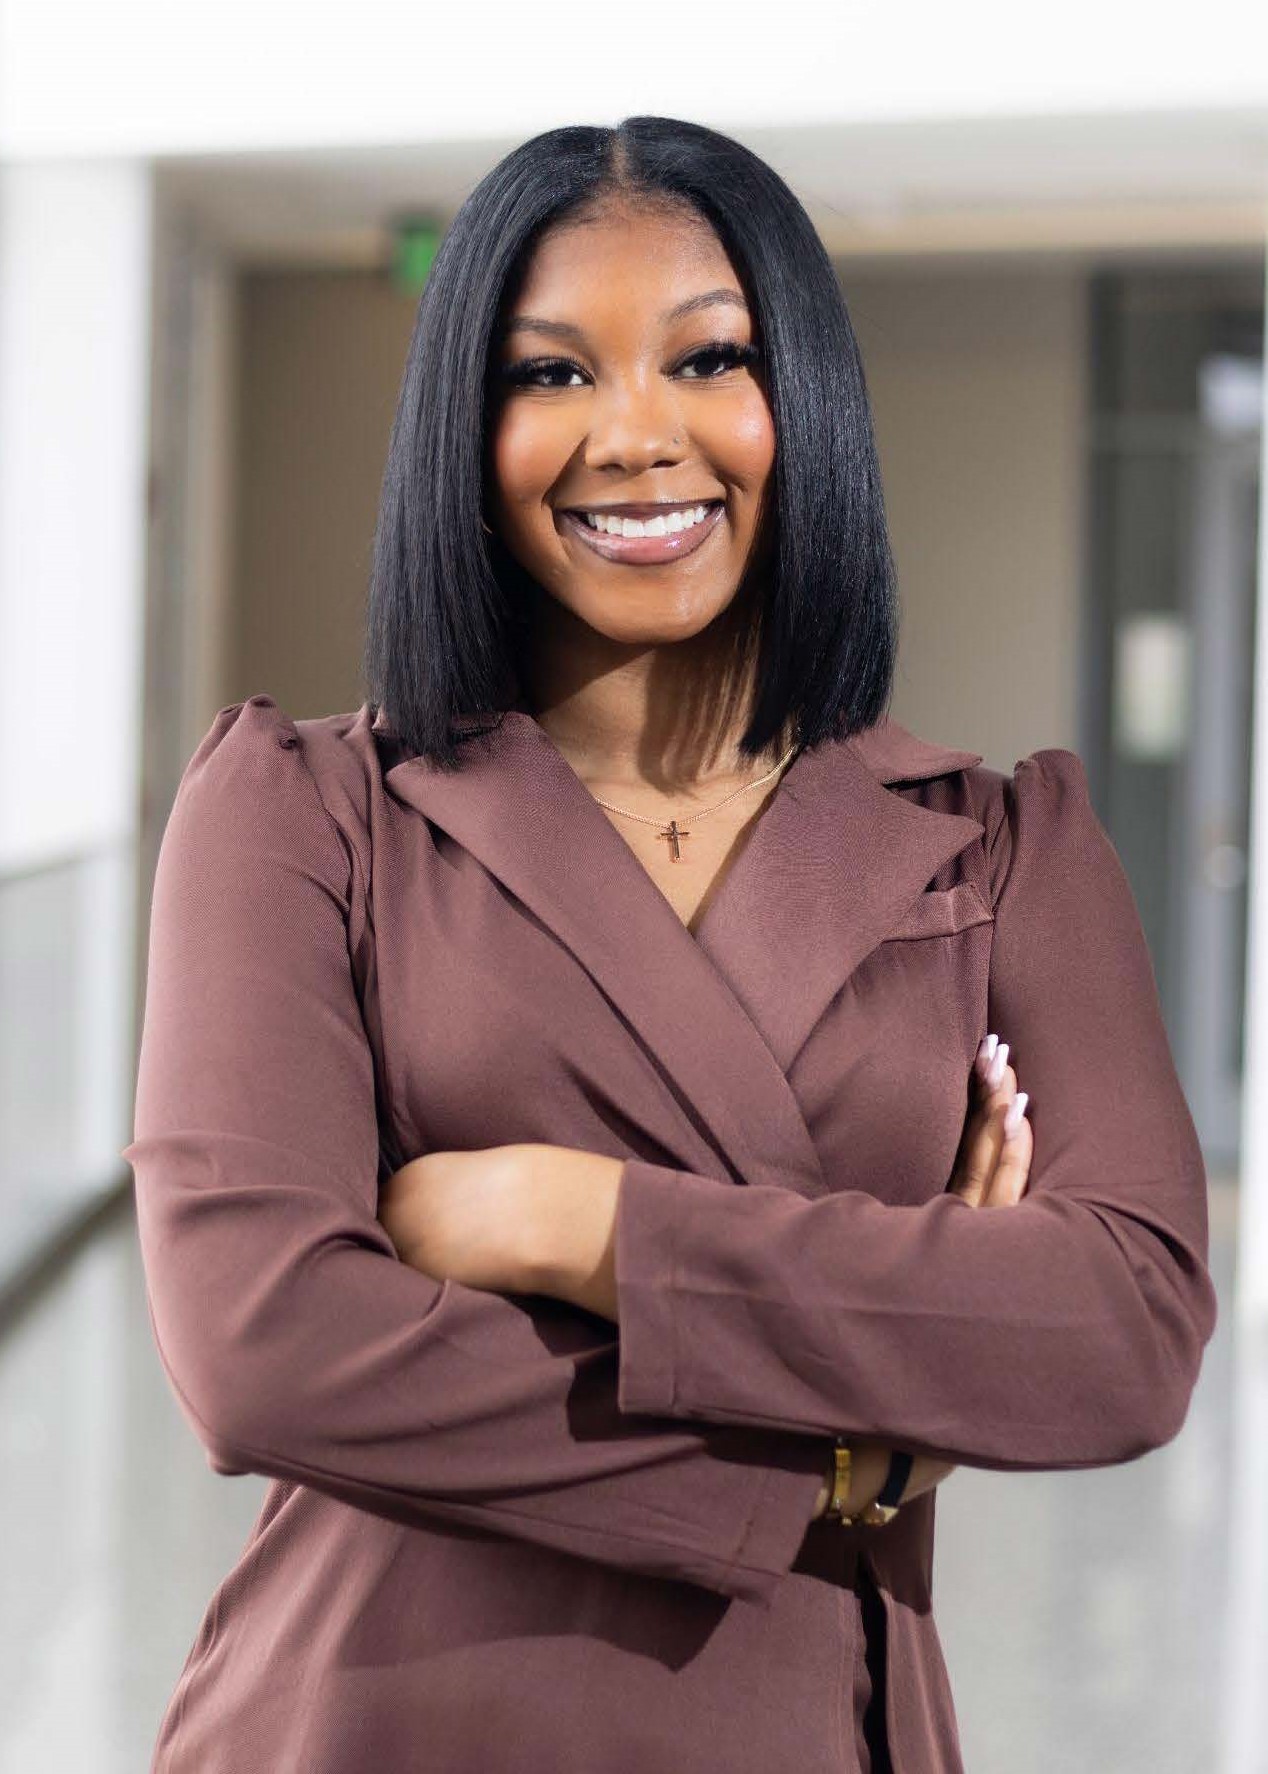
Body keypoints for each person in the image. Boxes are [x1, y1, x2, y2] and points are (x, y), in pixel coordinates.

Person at [123, 116, 1218, 1773]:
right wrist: (852, 1444)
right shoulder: (298, 814)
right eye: (551, 376)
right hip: (365, 1718)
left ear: (807, 404)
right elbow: (260, 1346)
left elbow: (1123, 1329)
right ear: (463, 433)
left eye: (708, 356)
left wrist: (588, 1225)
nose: (635, 433)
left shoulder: (1003, 852)